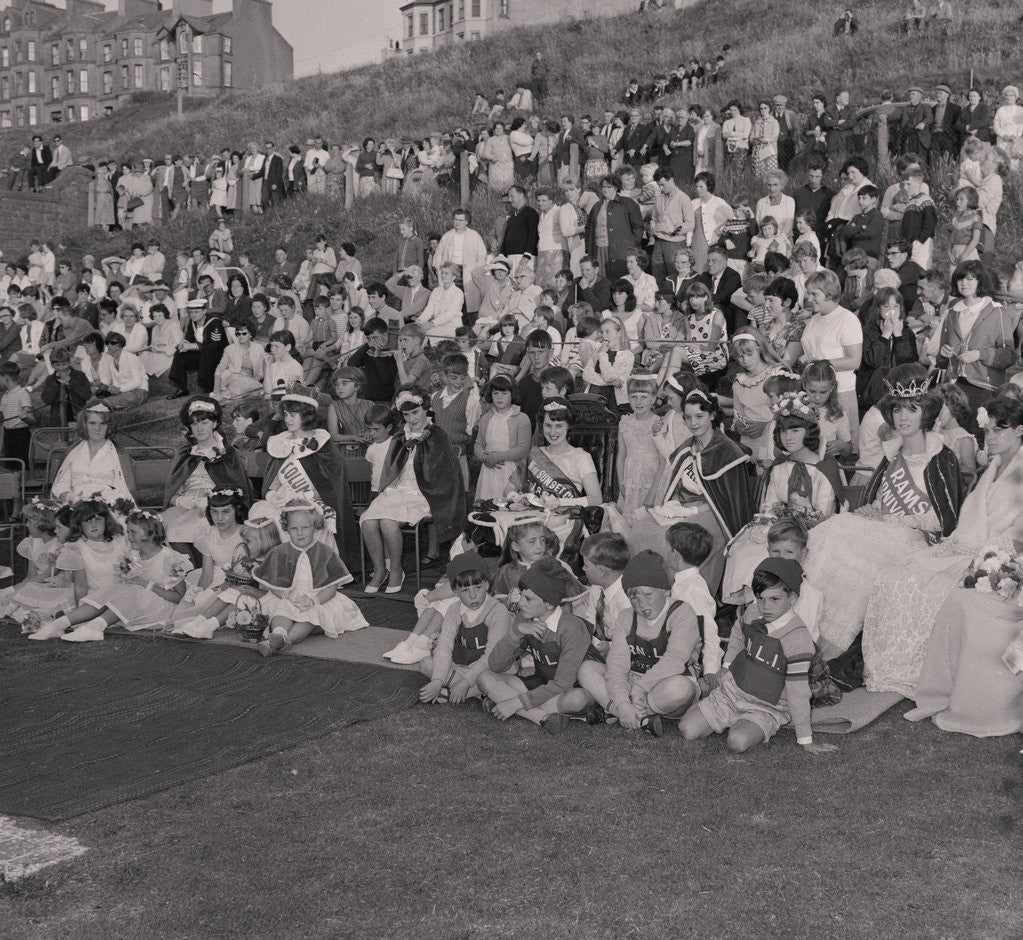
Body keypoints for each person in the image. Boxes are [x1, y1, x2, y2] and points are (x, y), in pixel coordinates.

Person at [862, 395, 1023, 700]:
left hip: (1004, 555)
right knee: (895, 575)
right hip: (968, 545)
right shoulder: (995, 466)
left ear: (1020, 431)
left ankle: (921, 671)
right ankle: (894, 669)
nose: (991, 438)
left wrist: (989, 554)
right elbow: (969, 518)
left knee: (928, 586)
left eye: (1000, 431)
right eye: (988, 431)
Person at [805, 379, 965, 657]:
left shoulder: (941, 456)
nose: (903, 417)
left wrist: (887, 518)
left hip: (916, 536)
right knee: (828, 533)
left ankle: (832, 647)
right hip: (880, 526)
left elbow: (943, 518)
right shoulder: (893, 454)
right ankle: (806, 632)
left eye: (912, 409)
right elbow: (878, 499)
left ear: (925, 414)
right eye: (898, 409)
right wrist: (872, 511)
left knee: (864, 556)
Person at [679, 557, 837, 754]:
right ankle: (718, 710)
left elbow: (798, 691)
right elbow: (738, 631)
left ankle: (749, 723)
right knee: (686, 730)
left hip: (768, 706)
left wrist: (805, 739)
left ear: (793, 598)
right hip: (732, 692)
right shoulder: (754, 612)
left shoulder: (798, 639)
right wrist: (727, 666)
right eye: (760, 598)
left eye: (775, 599)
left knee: (737, 742)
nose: (766, 606)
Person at [578, 549, 702, 736]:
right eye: (634, 597)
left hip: (666, 683)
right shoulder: (626, 616)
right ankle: (630, 714)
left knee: (681, 689)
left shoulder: (682, 612)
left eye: (648, 594)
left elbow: (676, 660)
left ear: (665, 590)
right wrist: (623, 702)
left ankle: (619, 713)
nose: (641, 604)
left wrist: (639, 688)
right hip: (634, 681)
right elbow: (617, 663)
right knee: (587, 669)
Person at [360, 386, 466, 593]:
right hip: (399, 490)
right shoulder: (401, 437)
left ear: (425, 409)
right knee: (368, 521)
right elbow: (393, 468)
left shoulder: (437, 436)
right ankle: (380, 570)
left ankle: (397, 570)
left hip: (424, 493)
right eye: (406, 415)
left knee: (389, 524)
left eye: (415, 412)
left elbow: (444, 473)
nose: (412, 419)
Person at [477, 557, 593, 732]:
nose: (520, 602)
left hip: (567, 689)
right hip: (541, 685)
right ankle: (542, 718)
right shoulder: (525, 617)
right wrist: (517, 633)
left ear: (548, 603)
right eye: (521, 595)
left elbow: (563, 683)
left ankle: (506, 701)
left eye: (528, 599)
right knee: (484, 677)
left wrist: (516, 702)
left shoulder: (572, 628)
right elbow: (496, 664)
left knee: (578, 699)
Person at [251, 385, 359, 571]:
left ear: (307, 415)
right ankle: (275, 573)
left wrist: (303, 500)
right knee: (259, 517)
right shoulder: (281, 443)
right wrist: (272, 496)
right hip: (283, 499)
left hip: (313, 502)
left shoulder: (321, 443)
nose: (288, 419)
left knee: (290, 523)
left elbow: (331, 484)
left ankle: (302, 573)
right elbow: (273, 480)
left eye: (293, 415)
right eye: (286, 414)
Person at [43, 510, 192, 643]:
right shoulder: (132, 555)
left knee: (135, 590)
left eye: (133, 532)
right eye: (128, 532)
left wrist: (146, 585)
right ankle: (59, 624)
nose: (129, 537)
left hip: (163, 608)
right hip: (136, 603)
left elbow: (178, 597)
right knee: (116, 588)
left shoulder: (170, 559)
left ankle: (96, 627)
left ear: (149, 533)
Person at [253, 499, 366, 656]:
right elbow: (274, 585)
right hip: (288, 596)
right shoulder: (279, 552)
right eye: (294, 528)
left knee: (311, 614)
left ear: (315, 528)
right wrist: (288, 596)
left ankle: (282, 641)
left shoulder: (325, 553)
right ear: (286, 528)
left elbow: (331, 588)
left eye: (305, 527)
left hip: (319, 598)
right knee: (282, 609)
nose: (300, 532)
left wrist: (314, 601)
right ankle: (278, 633)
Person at [417, 552, 514, 704]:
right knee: (426, 664)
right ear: (455, 591)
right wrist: (437, 680)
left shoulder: (498, 611)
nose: (473, 595)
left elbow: (491, 656)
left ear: (487, 584)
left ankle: (457, 692)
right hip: (465, 666)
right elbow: (444, 646)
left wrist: (465, 682)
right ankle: (478, 693)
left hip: (492, 669)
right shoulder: (454, 610)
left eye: (478, 587)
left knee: (487, 678)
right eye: (465, 590)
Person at [162, 396, 252, 548]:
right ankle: (188, 570)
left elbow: (239, 489)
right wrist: (180, 500)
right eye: (194, 423)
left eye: (204, 422)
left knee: (199, 527)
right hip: (184, 509)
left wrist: (211, 502)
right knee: (171, 529)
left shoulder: (227, 454)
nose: (199, 428)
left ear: (215, 423)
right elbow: (172, 491)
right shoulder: (184, 454)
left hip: (216, 508)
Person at [935, 261, 1019, 424]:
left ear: (980, 281)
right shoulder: (952, 313)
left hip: (984, 388)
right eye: (961, 279)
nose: (964, 283)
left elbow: (1009, 355)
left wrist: (980, 354)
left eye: (971, 279)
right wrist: (943, 353)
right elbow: (941, 360)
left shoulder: (996, 311)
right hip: (953, 386)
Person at [474, 374, 531, 502]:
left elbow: (523, 449)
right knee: (487, 506)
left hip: (511, 473)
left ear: (512, 394)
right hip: (489, 470)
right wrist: (485, 457)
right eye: (495, 393)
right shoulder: (486, 418)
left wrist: (497, 457)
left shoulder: (522, 418)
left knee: (507, 506)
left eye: (504, 393)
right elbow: (478, 444)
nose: (499, 397)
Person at [584, 175, 645, 280]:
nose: (605, 189)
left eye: (609, 187)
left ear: (616, 188)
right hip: (599, 249)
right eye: (603, 187)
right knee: (601, 279)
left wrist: (632, 245)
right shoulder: (596, 206)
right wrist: (589, 249)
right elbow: (589, 228)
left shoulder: (627, 203)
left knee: (621, 279)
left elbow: (638, 226)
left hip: (621, 250)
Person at [167, 299, 228, 399]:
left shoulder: (214, 323)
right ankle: (182, 388)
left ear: (204, 311)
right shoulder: (193, 322)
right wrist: (183, 345)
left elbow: (214, 346)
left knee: (206, 355)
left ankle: (209, 388)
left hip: (217, 355)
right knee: (179, 354)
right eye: (191, 312)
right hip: (202, 352)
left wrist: (194, 346)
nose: (193, 315)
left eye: (196, 312)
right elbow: (189, 339)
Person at [0, 360, 31, 468]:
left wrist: (25, 418)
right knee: (9, 466)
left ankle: (21, 484)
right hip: (8, 434)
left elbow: (31, 419)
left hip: (20, 434)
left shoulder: (22, 393)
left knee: (20, 465)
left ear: (5, 378)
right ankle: (13, 484)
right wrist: (1, 445)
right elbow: (3, 423)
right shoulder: (5, 397)